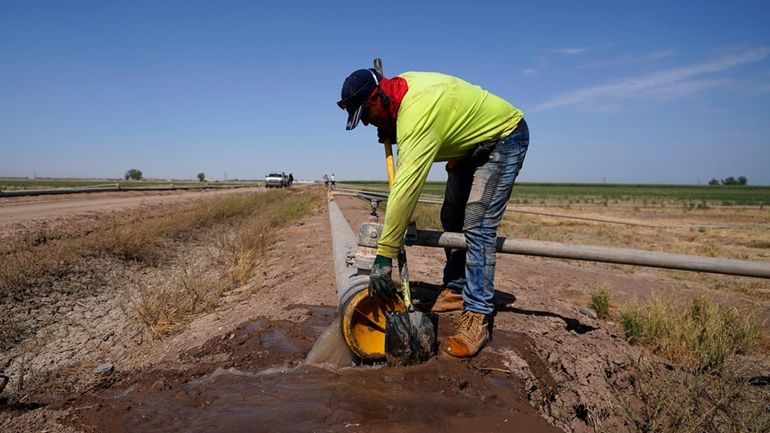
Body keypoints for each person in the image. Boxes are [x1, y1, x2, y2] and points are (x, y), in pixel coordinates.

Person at [337, 67, 529, 358]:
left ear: (379, 99)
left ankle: (477, 316)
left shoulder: (417, 112)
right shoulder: (399, 95)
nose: (366, 124)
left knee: (477, 223)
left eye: (366, 115)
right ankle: (456, 289)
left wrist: (384, 254)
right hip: (467, 149)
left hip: (503, 137)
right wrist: (392, 127)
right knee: (452, 218)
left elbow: (406, 188)